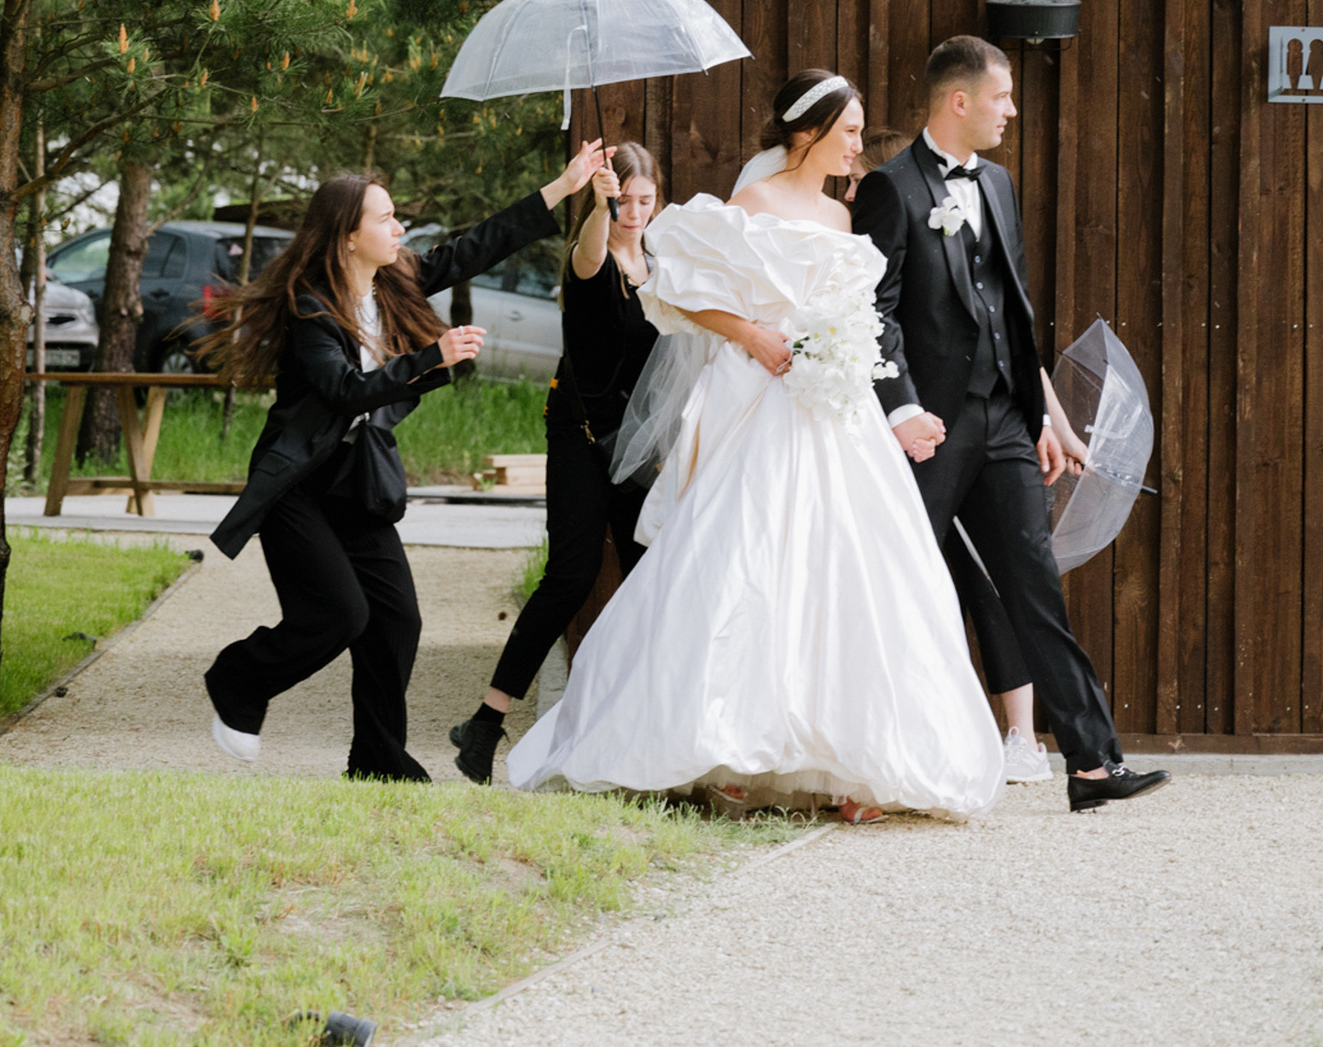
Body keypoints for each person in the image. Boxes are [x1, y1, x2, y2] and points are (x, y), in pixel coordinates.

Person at [507, 71, 1004, 824]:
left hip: (834, 416)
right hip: (765, 405)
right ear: (806, 132)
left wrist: (877, 392)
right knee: (749, 563)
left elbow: (859, 322)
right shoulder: (750, 206)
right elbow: (678, 292)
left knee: (849, 572)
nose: (856, 145)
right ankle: (728, 748)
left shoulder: (842, 220)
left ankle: (856, 763)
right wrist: (753, 334)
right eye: (847, 131)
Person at [200, 141, 610, 780]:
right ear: (346, 237)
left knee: (396, 621)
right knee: (338, 615)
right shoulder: (311, 306)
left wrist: (561, 187)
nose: (399, 229)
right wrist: (431, 358)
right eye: (385, 219)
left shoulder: (390, 280)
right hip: (300, 488)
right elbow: (343, 390)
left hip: (357, 482)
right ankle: (237, 678)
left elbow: (470, 249)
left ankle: (377, 760)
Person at [853, 35, 1171, 812]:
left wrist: (1048, 420)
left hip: (1002, 422)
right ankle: (862, 763)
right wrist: (901, 412)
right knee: (900, 587)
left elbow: (1012, 314)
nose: (1012, 110)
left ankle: (1092, 764)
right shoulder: (890, 190)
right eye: (1002, 97)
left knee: (1033, 583)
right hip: (929, 427)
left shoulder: (996, 183)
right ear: (958, 101)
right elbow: (873, 315)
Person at [450, 141, 663, 785]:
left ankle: (642, 725)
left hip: (639, 445)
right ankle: (487, 722)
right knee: (570, 576)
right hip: (580, 432)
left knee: (653, 573)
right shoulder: (587, 254)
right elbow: (595, 248)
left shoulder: (663, 263)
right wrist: (596, 204)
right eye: (623, 198)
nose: (634, 210)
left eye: (645, 199)